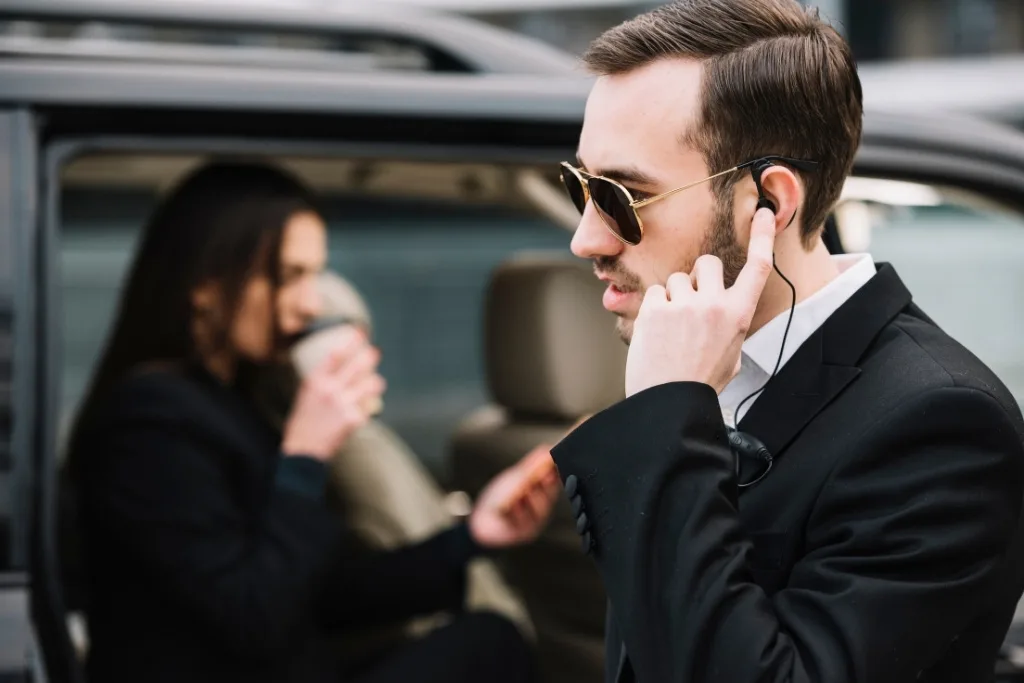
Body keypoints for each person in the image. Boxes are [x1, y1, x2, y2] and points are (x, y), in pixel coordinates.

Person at [550, 2, 1024, 683]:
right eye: (580, 188)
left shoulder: (941, 424)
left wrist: (662, 416)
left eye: (621, 195)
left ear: (769, 203)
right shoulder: (696, 364)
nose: (586, 238)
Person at [66, 161, 560, 683]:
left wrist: (473, 537)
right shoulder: (148, 428)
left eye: (315, 274)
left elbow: (315, 594)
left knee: (489, 636)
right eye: (288, 276)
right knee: (487, 646)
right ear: (205, 285)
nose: (309, 304)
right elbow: (253, 619)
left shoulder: (232, 401)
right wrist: (306, 455)